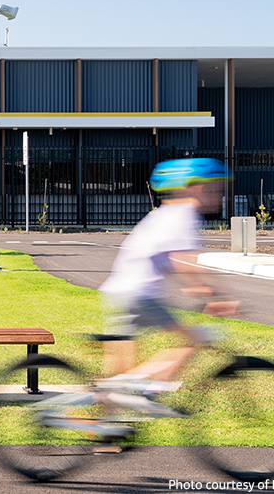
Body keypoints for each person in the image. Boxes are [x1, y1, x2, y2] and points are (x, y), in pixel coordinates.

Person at [97, 157, 240, 389]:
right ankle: (153, 393)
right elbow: (185, 262)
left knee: (118, 371)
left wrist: (198, 288)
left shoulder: (163, 214)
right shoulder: (184, 215)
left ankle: (110, 417)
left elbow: (172, 260)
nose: (220, 196)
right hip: (140, 294)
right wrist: (217, 297)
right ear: (197, 188)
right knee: (193, 339)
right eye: (216, 190)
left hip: (118, 290)